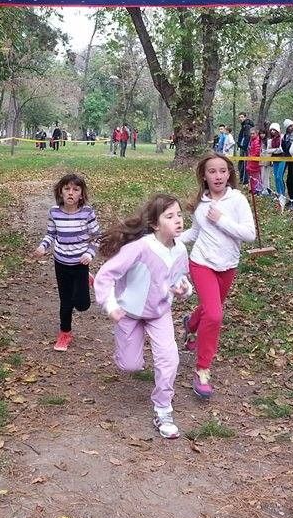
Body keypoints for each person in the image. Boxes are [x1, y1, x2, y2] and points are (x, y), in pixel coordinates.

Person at [93, 194, 191, 439]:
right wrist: (111, 305)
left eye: (179, 215)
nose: (178, 220)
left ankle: (163, 408)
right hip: (129, 313)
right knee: (130, 365)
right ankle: (128, 351)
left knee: (169, 358)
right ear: (155, 224)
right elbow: (105, 276)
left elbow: (181, 279)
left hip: (159, 313)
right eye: (170, 217)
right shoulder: (139, 248)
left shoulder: (180, 249)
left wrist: (184, 290)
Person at [179, 153, 254, 399]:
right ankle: (202, 370)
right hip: (201, 263)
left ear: (229, 174)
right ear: (204, 175)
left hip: (228, 265)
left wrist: (221, 220)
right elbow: (195, 233)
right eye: (212, 171)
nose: (218, 176)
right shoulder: (202, 203)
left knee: (210, 309)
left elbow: (249, 234)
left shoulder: (238, 200)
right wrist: (167, 237)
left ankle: (190, 325)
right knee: (214, 314)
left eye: (223, 171)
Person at [34, 174, 100, 352]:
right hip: (61, 262)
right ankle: (65, 333)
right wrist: (43, 246)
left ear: (81, 194)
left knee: (82, 305)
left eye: (76, 189)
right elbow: (51, 234)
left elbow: (96, 238)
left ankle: (87, 278)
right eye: (67, 189)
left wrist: (89, 254)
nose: (71, 193)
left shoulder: (87, 212)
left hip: (80, 263)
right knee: (65, 301)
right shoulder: (54, 212)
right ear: (60, 192)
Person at [263, 122, 285, 196]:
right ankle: (278, 193)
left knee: (279, 176)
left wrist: (273, 150)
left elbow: (281, 149)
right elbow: (268, 150)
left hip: (282, 158)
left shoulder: (282, 137)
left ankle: (282, 193)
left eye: (274, 130)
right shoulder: (270, 140)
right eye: (271, 130)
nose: (272, 131)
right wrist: (275, 150)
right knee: (275, 177)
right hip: (274, 160)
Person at [236, 113, 253, 183]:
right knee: (241, 163)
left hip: (245, 148)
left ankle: (245, 180)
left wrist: (244, 146)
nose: (240, 119)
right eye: (239, 117)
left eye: (242, 117)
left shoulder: (247, 125)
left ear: (245, 117)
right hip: (242, 147)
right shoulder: (243, 125)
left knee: (244, 163)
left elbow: (247, 136)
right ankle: (243, 179)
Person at [246, 127, 263, 193]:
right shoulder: (251, 141)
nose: (252, 135)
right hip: (250, 163)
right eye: (251, 134)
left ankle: (257, 190)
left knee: (256, 177)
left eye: (253, 133)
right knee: (251, 177)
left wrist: (251, 157)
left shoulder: (257, 141)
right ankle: (253, 189)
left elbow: (257, 152)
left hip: (255, 163)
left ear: (257, 133)